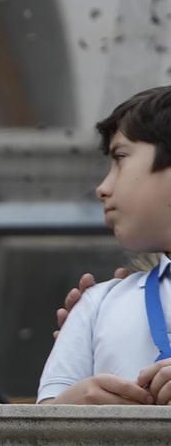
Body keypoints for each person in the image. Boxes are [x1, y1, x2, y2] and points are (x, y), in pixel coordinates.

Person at [39, 85, 171, 405]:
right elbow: (37, 439)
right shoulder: (98, 304)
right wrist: (74, 405)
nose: (102, 188)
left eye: (121, 158)